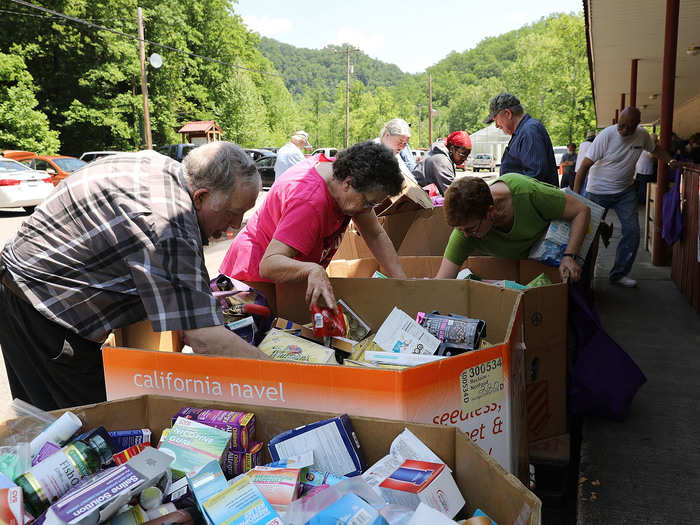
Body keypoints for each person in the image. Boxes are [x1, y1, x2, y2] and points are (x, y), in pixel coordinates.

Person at [0, 142, 270, 410]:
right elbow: (204, 338)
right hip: (40, 308)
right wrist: (281, 373)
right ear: (200, 197)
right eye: (234, 213)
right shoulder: (168, 222)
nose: (236, 225)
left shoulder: (168, 171)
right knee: (78, 427)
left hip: (26, 289)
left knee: (50, 419)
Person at [219, 140, 407, 310]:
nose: (367, 209)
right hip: (253, 277)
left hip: (281, 275)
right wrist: (312, 269)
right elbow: (269, 264)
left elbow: (375, 234)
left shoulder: (342, 175)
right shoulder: (310, 202)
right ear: (348, 184)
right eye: (368, 202)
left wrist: (405, 285)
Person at [573, 107, 679, 288]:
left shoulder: (642, 135)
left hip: (625, 191)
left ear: (637, 125)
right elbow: (584, 167)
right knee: (586, 233)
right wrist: (576, 198)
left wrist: (670, 161)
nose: (623, 130)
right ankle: (581, 274)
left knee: (632, 232)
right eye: (621, 125)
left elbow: (657, 149)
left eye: (629, 127)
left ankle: (619, 274)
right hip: (597, 191)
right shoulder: (606, 136)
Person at [435, 174, 590, 284]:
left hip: (563, 256)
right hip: (524, 274)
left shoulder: (527, 193)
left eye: (470, 229)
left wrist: (570, 255)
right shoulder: (464, 231)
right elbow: (442, 282)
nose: (466, 235)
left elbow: (581, 210)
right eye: (460, 229)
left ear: (490, 212)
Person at [483, 93, 558, 186]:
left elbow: (535, 177)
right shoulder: (522, 132)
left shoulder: (529, 131)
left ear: (508, 113)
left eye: (496, 120)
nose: (496, 125)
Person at [412, 130, 472, 196]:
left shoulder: (443, 155)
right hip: (416, 199)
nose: (465, 158)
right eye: (463, 154)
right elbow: (451, 195)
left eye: (467, 155)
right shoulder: (442, 161)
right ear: (452, 149)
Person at [377, 118, 417, 183]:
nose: (402, 147)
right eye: (400, 141)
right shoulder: (373, 153)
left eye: (405, 143)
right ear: (387, 135)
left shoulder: (393, 153)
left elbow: (412, 181)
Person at [635, 133, 657, 204]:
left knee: (641, 187)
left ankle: (641, 201)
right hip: (645, 171)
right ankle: (643, 202)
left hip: (640, 170)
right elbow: (652, 156)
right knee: (644, 188)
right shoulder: (649, 146)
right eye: (656, 140)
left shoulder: (643, 144)